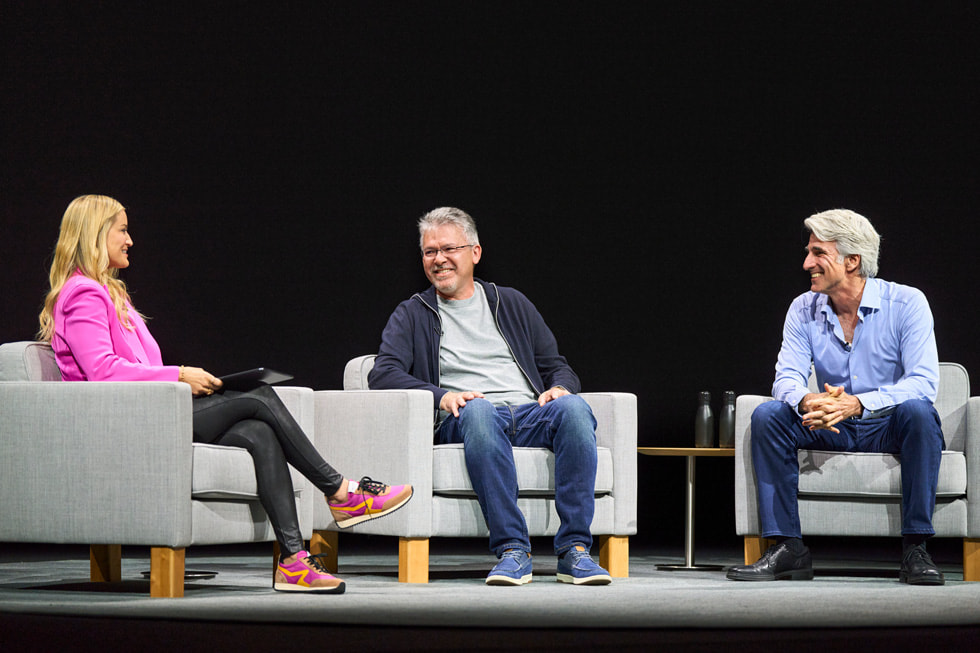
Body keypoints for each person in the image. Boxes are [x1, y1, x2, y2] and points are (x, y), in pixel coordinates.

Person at [38, 195, 413, 595]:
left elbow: (135, 365)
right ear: (96, 235)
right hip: (125, 421)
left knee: (259, 432)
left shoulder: (113, 294)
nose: (130, 240)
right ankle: (340, 491)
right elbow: (102, 371)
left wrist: (185, 379)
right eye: (123, 230)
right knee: (259, 395)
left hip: (154, 412)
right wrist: (180, 375)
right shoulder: (83, 293)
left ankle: (293, 562)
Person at [368, 206, 610, 586]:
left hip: (529, 413)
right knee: (478, 410)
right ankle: (514, 550)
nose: (439, 260)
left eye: (449, 249)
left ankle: (575, 551)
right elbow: (383, 373)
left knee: (575, 409)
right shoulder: (413, 313)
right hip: (466, 416)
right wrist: (442, 396)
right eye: (430, 252)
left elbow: (557, 365)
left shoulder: (510, 302)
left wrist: (560, 389)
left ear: (475, 253)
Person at [727, 209, 945, 585]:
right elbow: (787, 377)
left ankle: (916, 549)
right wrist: (807, 401)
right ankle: (787, 548)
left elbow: (924, 382)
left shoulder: (907, 304)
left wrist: (859, 403)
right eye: (809, 252)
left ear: (852, 261)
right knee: (769, 417)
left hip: (887, 424)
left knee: (919, 413)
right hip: (832, 426)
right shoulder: (802, 308)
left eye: (818, 253)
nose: (807, 262)